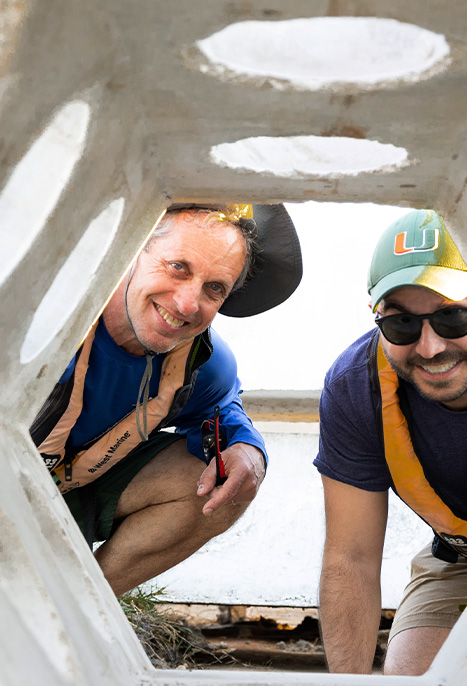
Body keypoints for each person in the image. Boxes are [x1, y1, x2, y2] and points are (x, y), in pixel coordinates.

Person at [315, 208, 467, 676]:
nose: (429, 347)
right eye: (402, 325)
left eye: (453, 317)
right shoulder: (355, 386)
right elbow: (352, 557)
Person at [31, 202, 302, 596]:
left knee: (218, 484)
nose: (188, 305)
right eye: (179, 267)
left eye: (214, 288)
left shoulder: (202, 362)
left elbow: (223, 408)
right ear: (131, 250)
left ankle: (72, 609)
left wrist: (248, 449)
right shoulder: (38, 316)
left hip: (67, 489)